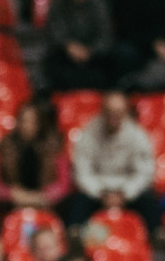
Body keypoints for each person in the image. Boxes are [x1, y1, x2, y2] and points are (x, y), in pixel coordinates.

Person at [64, 89, 159, 228]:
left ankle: (156, 240)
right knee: (77, 204)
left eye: (118, 113)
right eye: (109, 112)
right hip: (97, 190)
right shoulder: (88, 133)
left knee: (149, 203)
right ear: (102, 111)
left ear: (125, 112)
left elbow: (144, 173)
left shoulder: (137, 135)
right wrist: (101, 193)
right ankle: (75, 238)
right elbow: (82, 171)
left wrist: (125, 193)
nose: (113, 117)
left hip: (127, 190)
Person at [0, 99, 70, 212]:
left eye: (32, 121)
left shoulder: (55, 148)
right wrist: (11, 194)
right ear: (17, 121)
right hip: (12, 208)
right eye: (24, 120)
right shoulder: (2, 146)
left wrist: (44, 196)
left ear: (40, 124)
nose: (27, 126)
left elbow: (64, 185)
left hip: (47, 206)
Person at [42, 0, 116, 93]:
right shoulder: (59, 3)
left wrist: (90, 51)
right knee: (53, 63)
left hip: (92, 54)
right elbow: (55, 31)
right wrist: (69, 46)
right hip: (65, 52)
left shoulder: (98, 4)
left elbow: (105, 35)